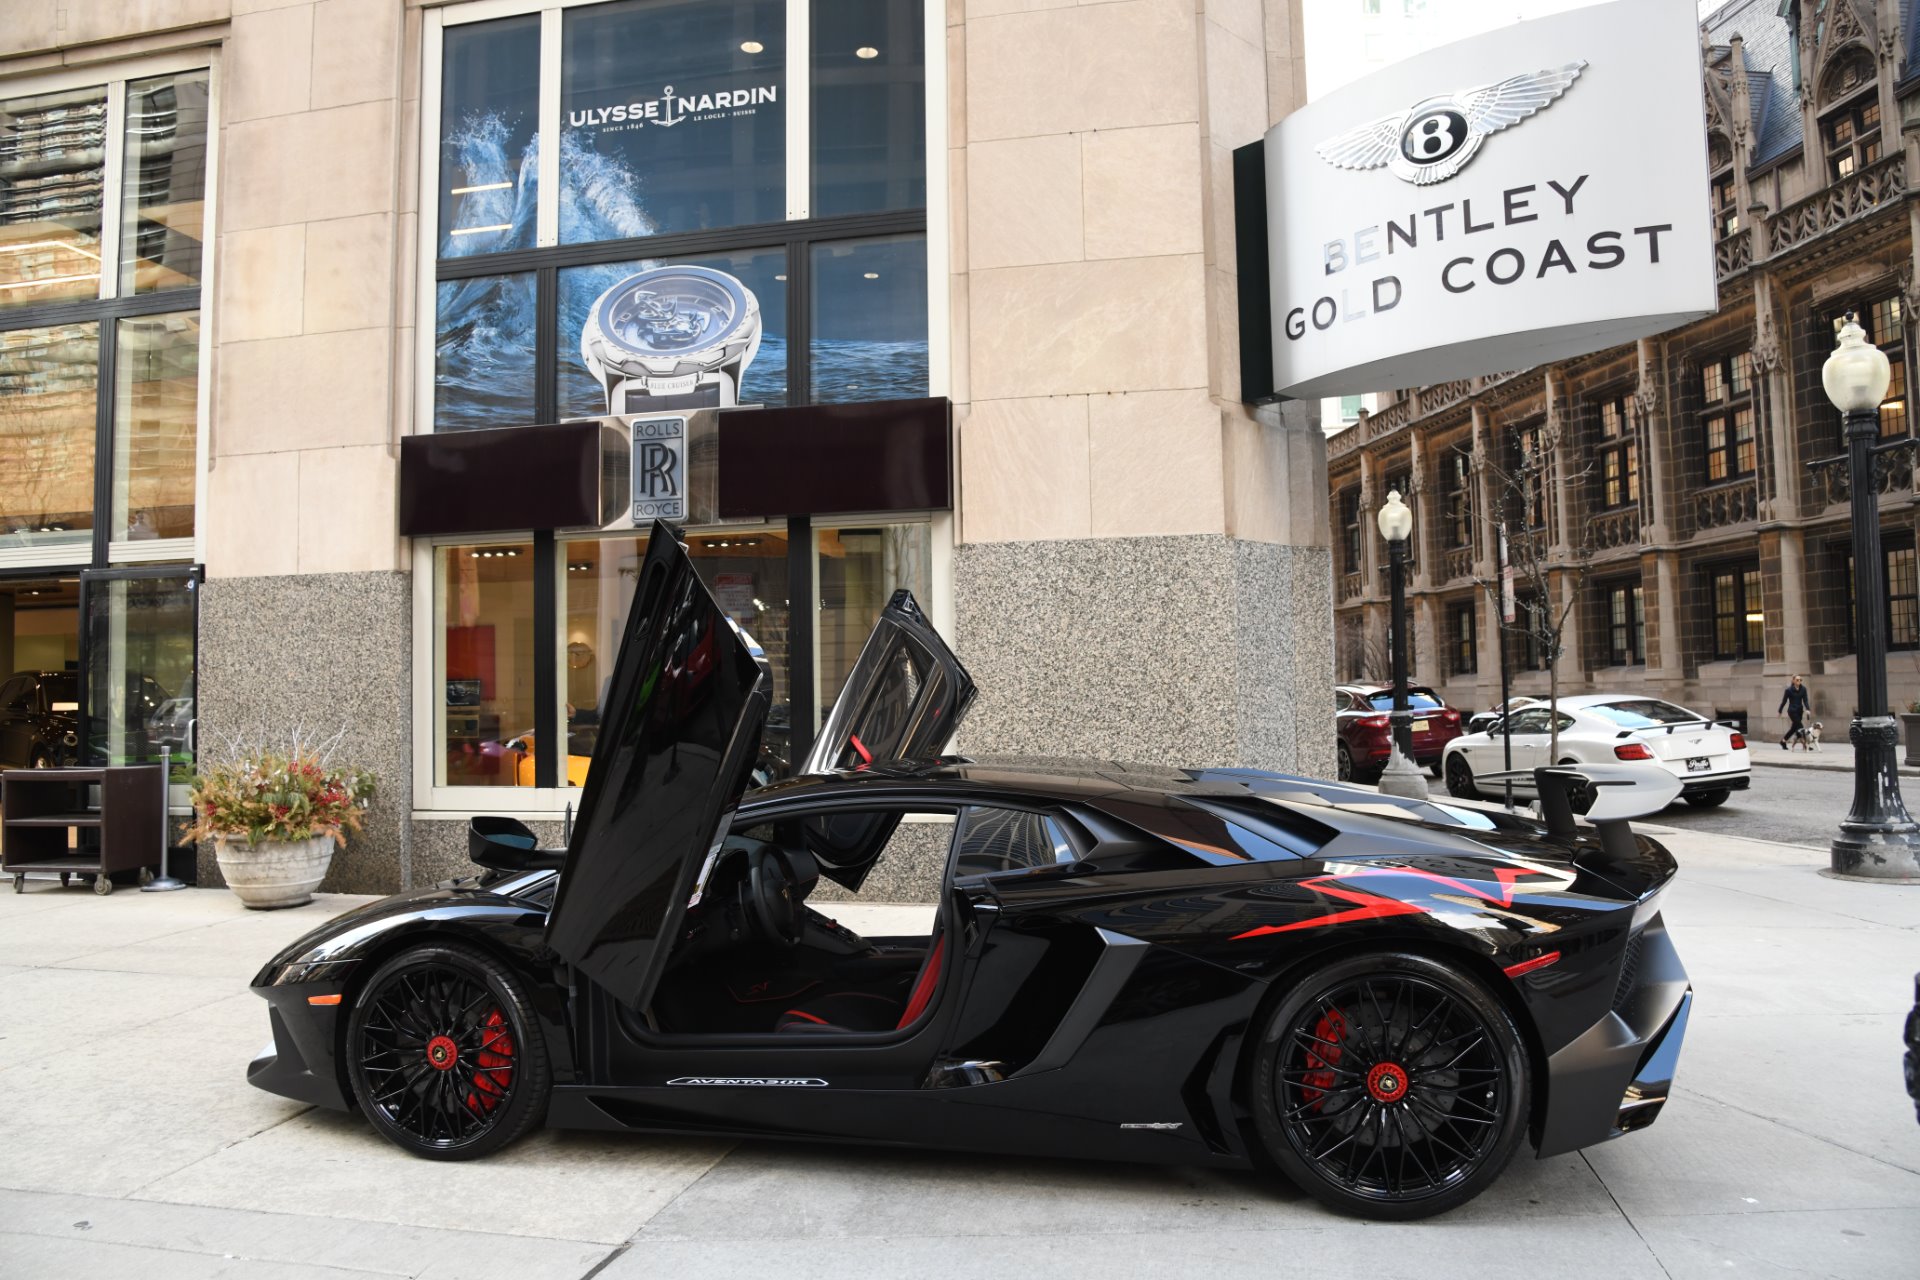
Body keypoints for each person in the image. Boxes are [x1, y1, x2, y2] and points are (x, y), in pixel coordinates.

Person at [1778, 675, 1811, 749]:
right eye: (1797, 680)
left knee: (1794, 728)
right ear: (1793, 681)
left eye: (1800, 680)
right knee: (1801, 727)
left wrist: (1808, 709)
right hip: (1792, 711)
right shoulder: (1788, 690)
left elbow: (1805, 700)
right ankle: (1806, 745)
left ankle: (1783, 741)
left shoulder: (1803, 689)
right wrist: (1780, 710)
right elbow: (1784, 701)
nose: (1799, 681)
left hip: (1800, 711)